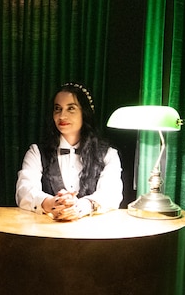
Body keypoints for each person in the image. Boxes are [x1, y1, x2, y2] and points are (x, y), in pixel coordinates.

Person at [15, 82, 122, 220]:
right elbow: (24, 190)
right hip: (47, 232)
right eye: (57, 109)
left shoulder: (108, 154)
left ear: (84, 112)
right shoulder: (36, 152)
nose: (62, 116)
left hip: (93, 234)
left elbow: (112, 193)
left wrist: (81, 207)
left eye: (71, 108)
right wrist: (53, 204)